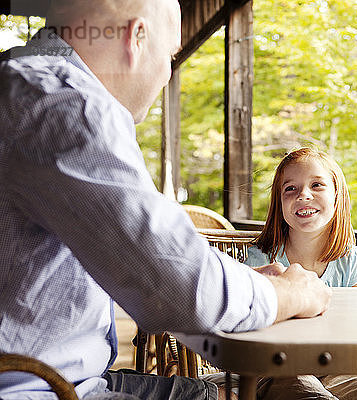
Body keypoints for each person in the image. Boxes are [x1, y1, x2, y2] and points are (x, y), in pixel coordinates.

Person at [0, 1, 331, 399]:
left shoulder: (21, 85)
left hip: (63, 375)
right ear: (135, 36)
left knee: (254, 388)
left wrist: (241, 283)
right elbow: (186, 293)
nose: (167, 74)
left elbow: (161, 267)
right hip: (37, 388)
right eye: (171, 56)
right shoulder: (64, 102)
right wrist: (293, 293)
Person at [244, 148, 357, 400]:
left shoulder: (349, 259)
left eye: (317, 185)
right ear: (279, 202)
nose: (304, 195)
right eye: (290, 189)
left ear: (336, 194)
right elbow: (254, 327)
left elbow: (351, 325)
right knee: (309, 394)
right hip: (277, 364)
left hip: (334, 365)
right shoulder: (261, 259)